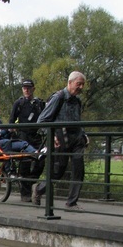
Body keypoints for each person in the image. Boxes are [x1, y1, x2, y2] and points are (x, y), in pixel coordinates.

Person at [32, 71, 88, 210]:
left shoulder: (77, 101)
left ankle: (71, 202)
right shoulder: (58, 97)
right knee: (58, 172)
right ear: (70, 83)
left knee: (79, 169)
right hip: (61, 139)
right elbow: (42, 121)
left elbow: (77, 120)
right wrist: (51, 135)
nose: (81, 87)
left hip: (76, 139)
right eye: (78, 84)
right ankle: (39, 189)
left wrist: (84, 135)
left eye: (82, 84)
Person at [9, 79, 47, 202]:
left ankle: (31, 185)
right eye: (24, 88)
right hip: (23, 136)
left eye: (28, 87)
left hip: (36, 136)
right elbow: (11, 120)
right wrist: (13, 132)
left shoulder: (39, 103)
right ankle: (25, 194)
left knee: (40, 162)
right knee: (24, 164)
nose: (26, 90)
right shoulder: (18, 103)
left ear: (33, 89)